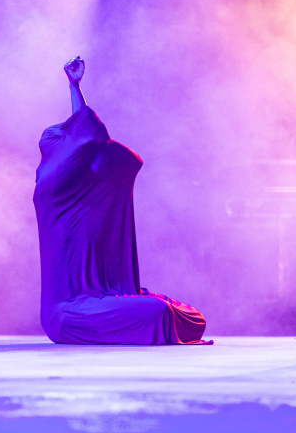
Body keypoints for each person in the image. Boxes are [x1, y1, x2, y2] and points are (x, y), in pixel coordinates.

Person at [32, 57, 209, 345]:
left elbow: (90, 141)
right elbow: (89, 138)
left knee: (191, 317)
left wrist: (74, 85)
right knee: (161, 312)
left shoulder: (81, 189)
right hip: (68, 314)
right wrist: (74, 87)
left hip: (96, 303)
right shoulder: (51, 190)